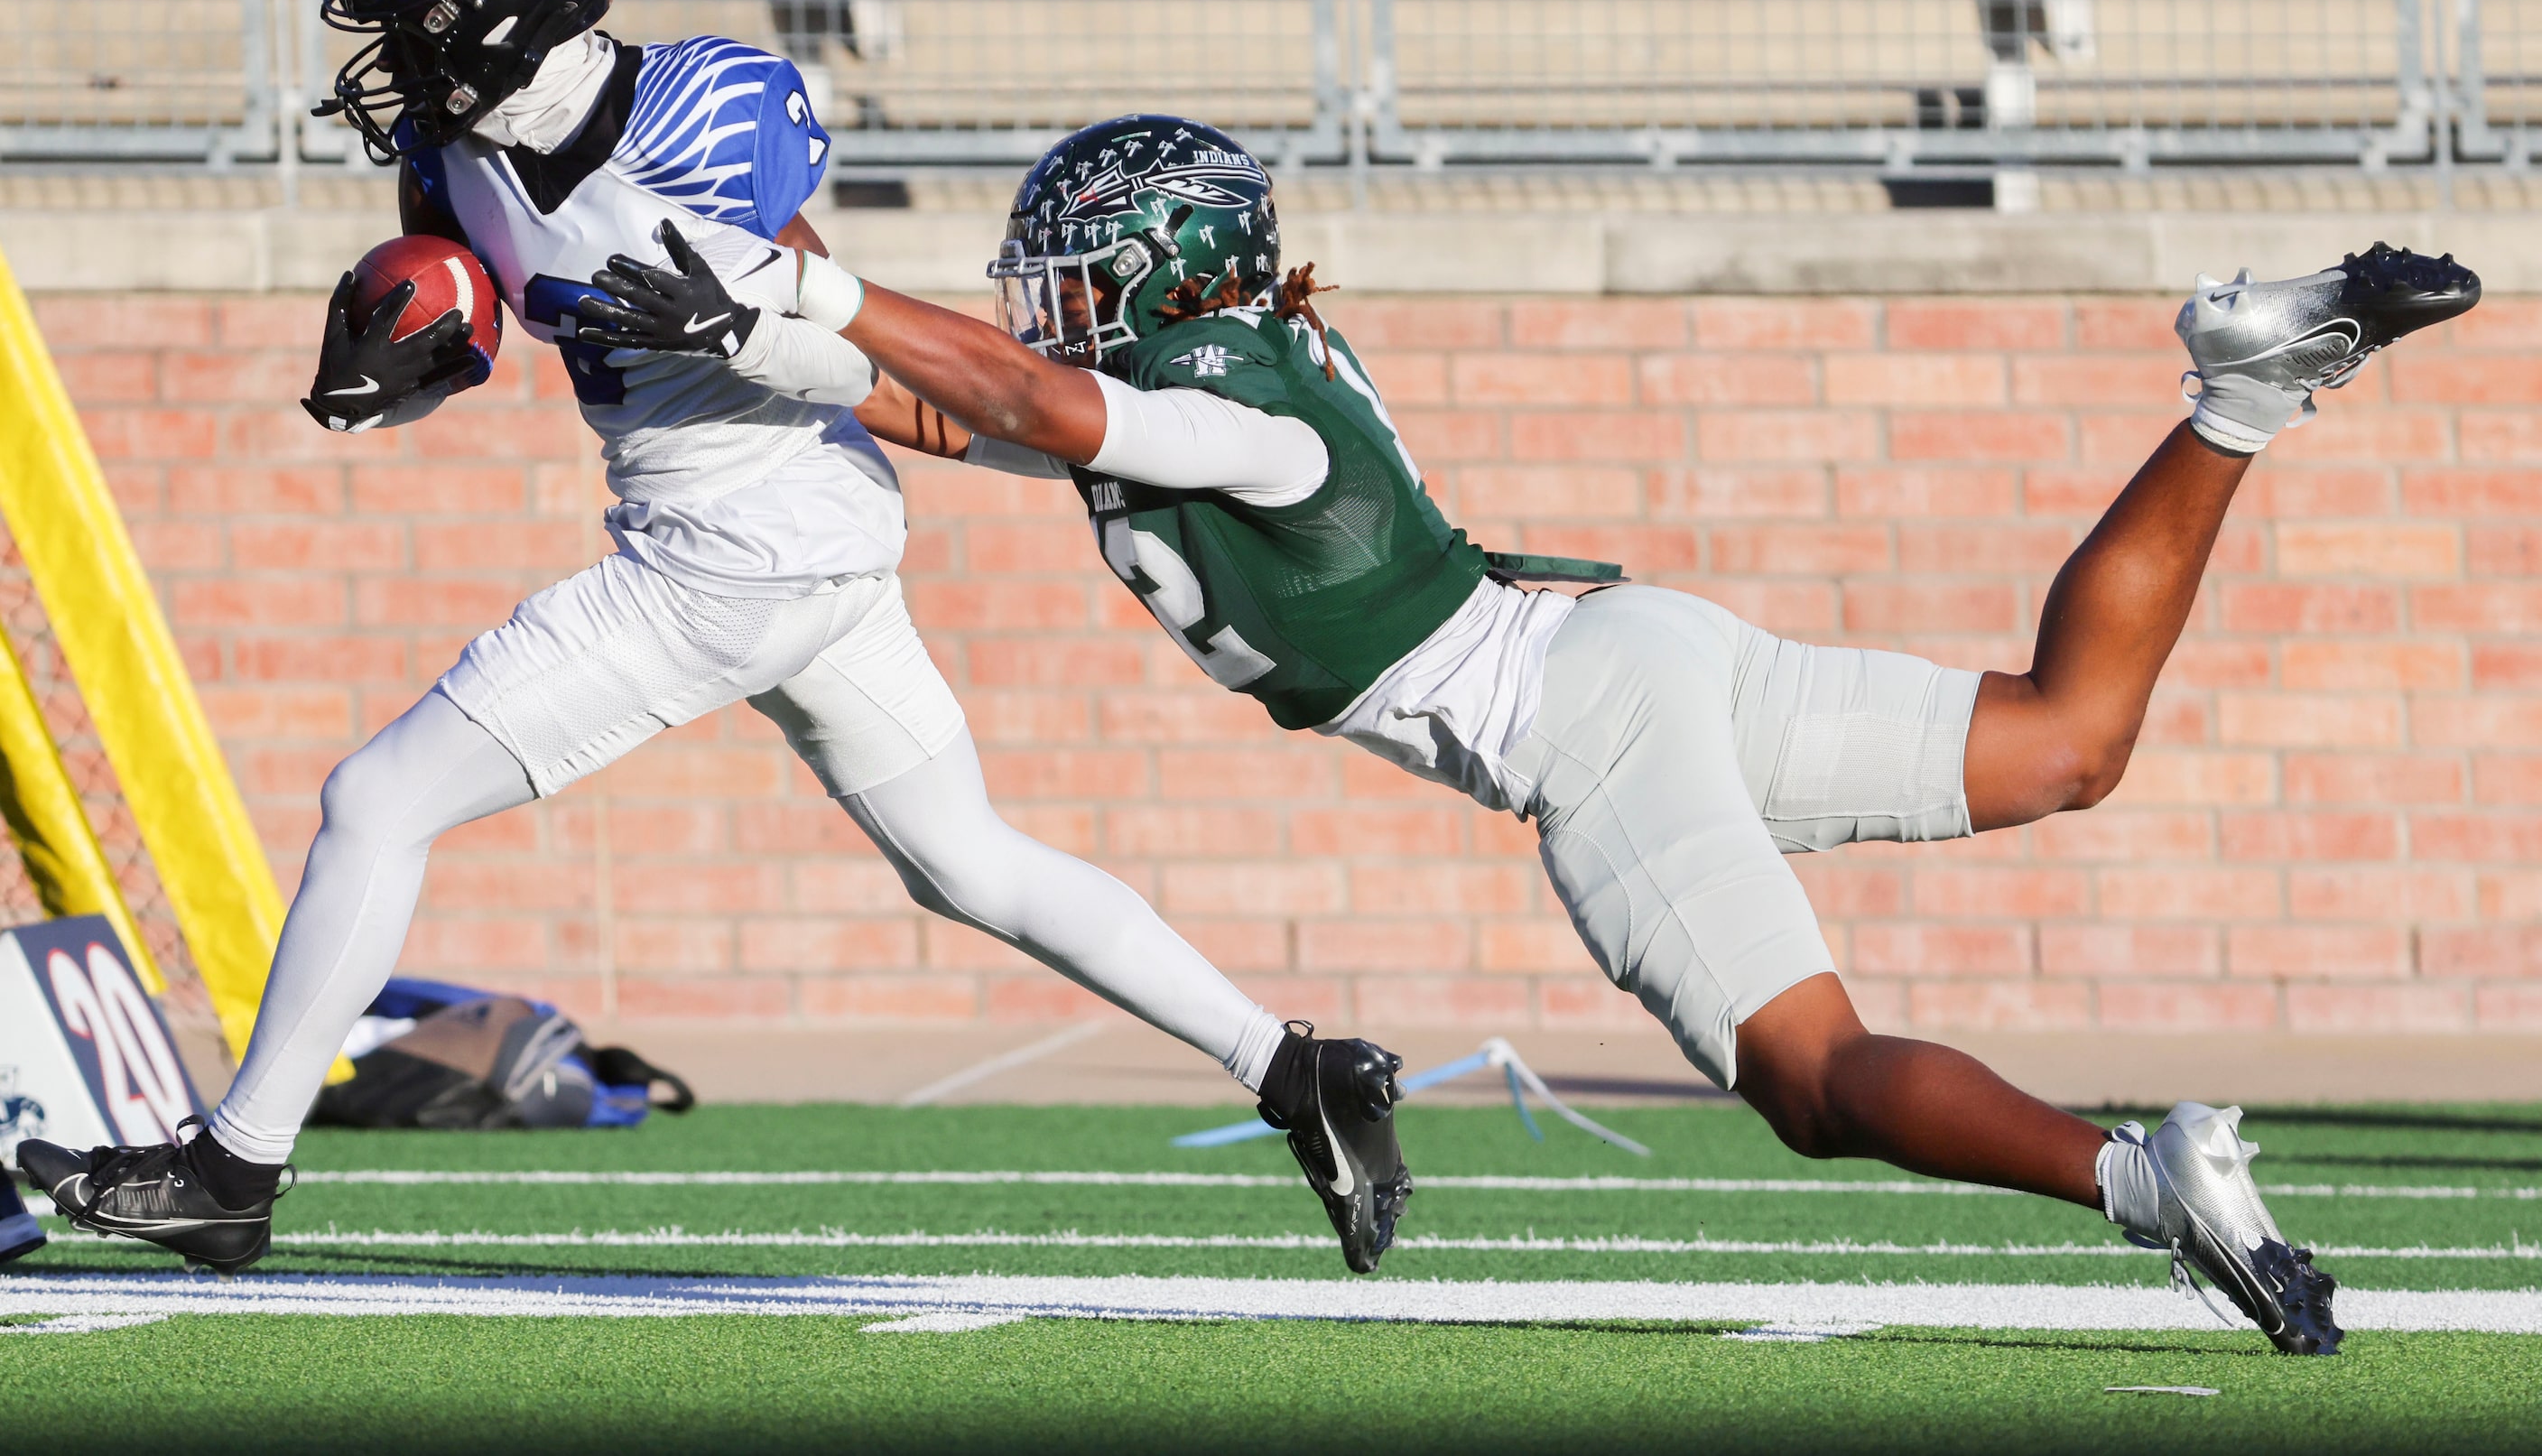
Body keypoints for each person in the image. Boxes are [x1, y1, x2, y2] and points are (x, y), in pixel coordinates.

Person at [573, 115, 2480, 1356]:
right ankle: (2241, 389)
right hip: (1629, 648)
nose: (1047, 297)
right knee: (2064, 743)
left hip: (1586, 725)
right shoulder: (1189, 376)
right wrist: (744, 330)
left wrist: (819, 284)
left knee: (1814, 1086)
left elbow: (1030, 407)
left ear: (1162, 270)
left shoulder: (1228, 411)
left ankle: (2146, 1179)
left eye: (1080, 267)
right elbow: (952, 410)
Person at [16, 0, 1409, 1280]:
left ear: (494, 13)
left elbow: (840, 350)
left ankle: (234, 1168)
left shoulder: (704, 117)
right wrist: (405, 367)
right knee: (969, 863)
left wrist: (1038, 437)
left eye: (406, 24)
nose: (380, 58)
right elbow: (479, 303)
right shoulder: (455, 151)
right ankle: (1296, 1066)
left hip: (734, 554)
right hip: (797, 546)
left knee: (377, 799)